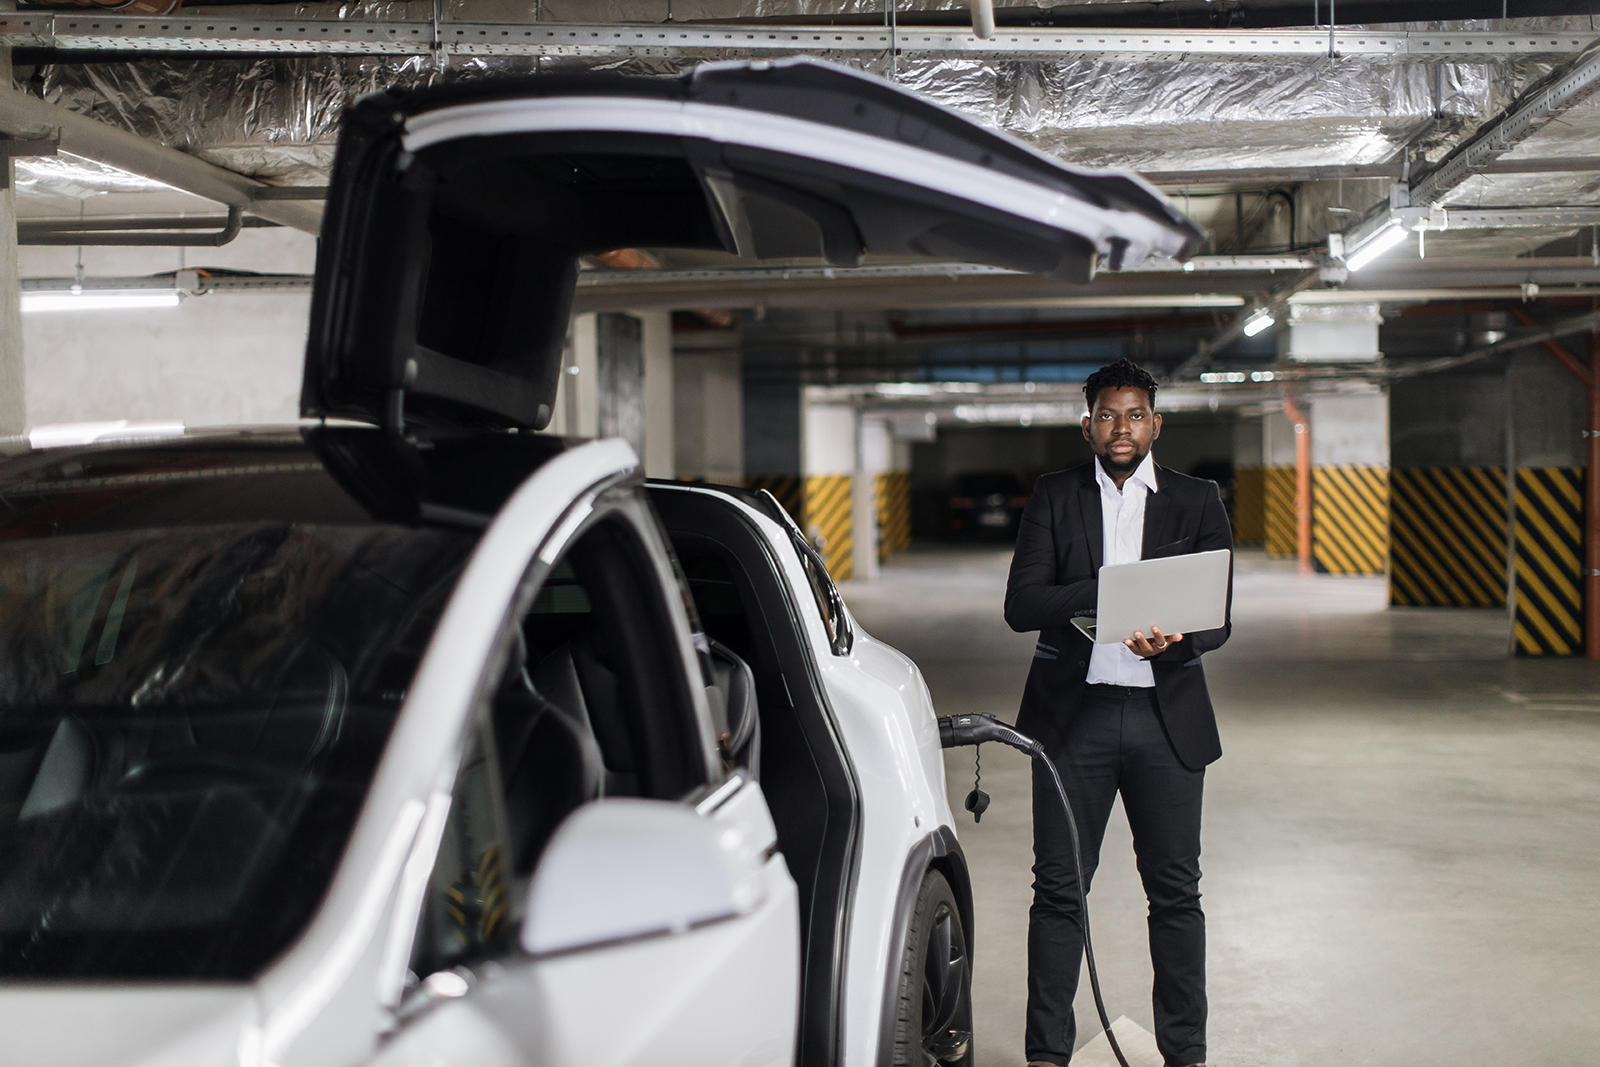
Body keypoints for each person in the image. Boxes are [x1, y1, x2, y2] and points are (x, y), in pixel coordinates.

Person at [1004, 357, 1232, 1067]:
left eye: (1134, 414)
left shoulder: (1196, 500)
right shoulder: (1054, 495)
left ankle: (1185, 1053)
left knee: (1175, 893)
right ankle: (1047, 1053)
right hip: (1075, 721)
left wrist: (1175, 632)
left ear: (1156, 423)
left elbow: (1217, 616)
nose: (1121, 427)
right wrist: (1107, 597)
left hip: (1168, 720)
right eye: (1107, 414)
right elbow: (1022, 604)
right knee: (1060, 890)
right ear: (1088, 425)